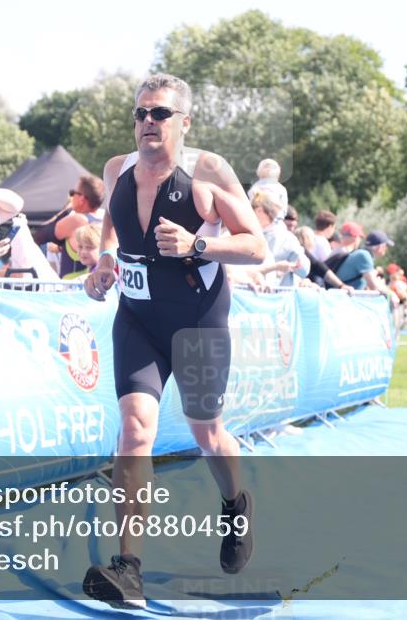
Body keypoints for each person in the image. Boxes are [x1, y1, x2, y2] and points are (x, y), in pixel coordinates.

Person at [81, 74, 265, 607]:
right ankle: (129, 568)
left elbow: (253, 245)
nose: (147, 123)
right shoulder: (117, 169)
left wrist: (198, 244)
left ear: (184, 122)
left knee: (207, 433)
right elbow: (111, 228)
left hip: (198, 319)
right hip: (137, 318)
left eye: (159, 114)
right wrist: (106, 261)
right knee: (135, 431)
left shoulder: (208, 171)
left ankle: (235, 503)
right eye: (140, 113)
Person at [33, 174, 106, 278]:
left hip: (73, 287)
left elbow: (40, 234)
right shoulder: (104, 218)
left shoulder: (76, 220)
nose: (71, 197)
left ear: (81, 198)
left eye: (73, 193)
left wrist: (65, 210)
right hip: (97, 283)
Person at [250, 193, 309, 287]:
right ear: (259, 211)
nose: (276, 219)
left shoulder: (286, 238)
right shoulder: (246, 235)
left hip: (275, 296)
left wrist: (299, 263)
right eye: (274, 214)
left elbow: (303, 270)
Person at [332, 226, 400, 305]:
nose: (386, 249)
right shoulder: (364, 256)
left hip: (341, 299)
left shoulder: (362, 254)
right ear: (379, 247)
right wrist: (391, 294)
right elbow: (374, 286)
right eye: (385, 246)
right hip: (339, 301)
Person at [294, 226, 353, 291]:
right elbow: (320, 268)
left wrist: (341, 285)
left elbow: (319, 267)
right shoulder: (301, 252)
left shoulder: (301, 253)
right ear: (308, 240)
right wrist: (341, 285)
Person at [246, 157, 288, 222]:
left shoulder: (254, 187)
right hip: (275, 222)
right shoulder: (281, 189)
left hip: (256, 221)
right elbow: (283, 210)